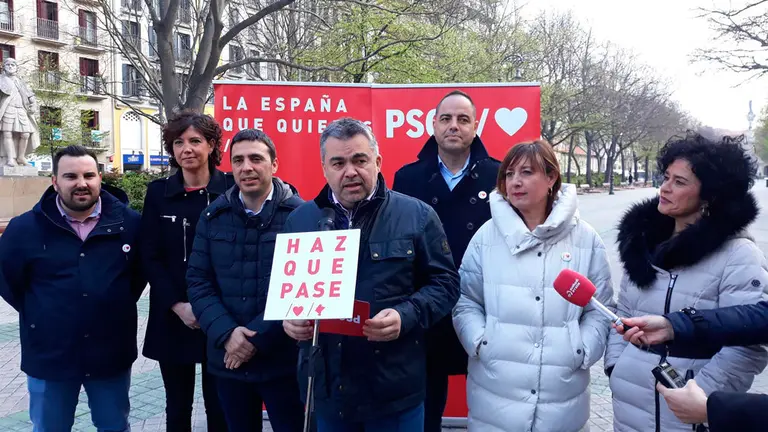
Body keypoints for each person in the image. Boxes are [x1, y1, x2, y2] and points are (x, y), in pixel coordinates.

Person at [281, 117, 460, 431]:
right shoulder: (300, 221)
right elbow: (285, 289)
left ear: (377, 161)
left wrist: (408, 314)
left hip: (395, 391)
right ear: (324, 167)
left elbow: (446, 283)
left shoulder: (416, 215)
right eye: (338, 162)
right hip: (328, 389)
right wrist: (289, 319)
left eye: (359, 160)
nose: (350, 171)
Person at [603, 132, 768, 432]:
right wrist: (617, 367)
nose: (664, 188)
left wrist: (699, 398)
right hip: (628, 407)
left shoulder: (738, 255)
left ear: (710, 195)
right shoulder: (642, 245)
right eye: (666, 177)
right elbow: (622, 314)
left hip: (687, 412)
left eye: (679, 182)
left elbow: (748, 344)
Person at [452, 140, 614, 432]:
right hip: (495, 390)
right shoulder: (486, 236)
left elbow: (601, 308)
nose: (515, 182)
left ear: (551, 178)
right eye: (509, 174)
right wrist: (480, 342)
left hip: (562, 396)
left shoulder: (586, 239)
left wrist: (582, 350)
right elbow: (466, 301)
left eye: (526, 172)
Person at [0, 145, 145, 431]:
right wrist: (44, 312)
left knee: (114, 426)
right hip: (50, 355)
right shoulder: (24, 228)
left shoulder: (130, 224)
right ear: (54, 181)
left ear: (100, 178)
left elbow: (137, 279)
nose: (81, 183)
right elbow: (8, 281)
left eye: (89, 175)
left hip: (110, 353)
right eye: (70, 176)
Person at [392, 90, 500, 432]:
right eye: (447, 119)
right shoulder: (407, 178)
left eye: (463, 119)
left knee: (490, 407)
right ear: (434, 124)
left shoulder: (499, 177)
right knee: (425, 408)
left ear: (476, 126)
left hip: (485, 305)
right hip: (425, 308)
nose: (454, 126)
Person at [186, 128, 305, 432]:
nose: (246, 167)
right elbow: (198, 281)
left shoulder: (302, 217)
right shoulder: (213, 216)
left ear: (274, 164)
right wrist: (228, 335)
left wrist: (256, 338)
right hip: (228, 360)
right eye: (237, 160)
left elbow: (304, 289)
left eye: (256, 158)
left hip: (283, 362)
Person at [139, 111, 232, 432]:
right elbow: (150, 256)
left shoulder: (231, 190)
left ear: (211, 146)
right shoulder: (158, 193)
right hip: (173, 313)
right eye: (178, 142)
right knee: (177, 405)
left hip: (221, 315)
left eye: (195, 141)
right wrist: (178, 305)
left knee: (220, 404)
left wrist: (209, 311)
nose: (186, 149)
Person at [615, 302, 768, 432]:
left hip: (694, 405)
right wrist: (673, 325)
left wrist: (710, 409)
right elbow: (757, 317)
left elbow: (747, 352)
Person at [0, 57, 39, 167]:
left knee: (25, 134)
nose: (11, 67)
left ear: (17, 68)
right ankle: (10, 158)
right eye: (8, 65)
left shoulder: (20, 81)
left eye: (13, 65)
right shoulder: (1, 80)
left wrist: (33, 104)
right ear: (4, 67)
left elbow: (30, 96)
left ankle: (21, 157)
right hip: (7, 109)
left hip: (21, 110)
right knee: (7, 133)